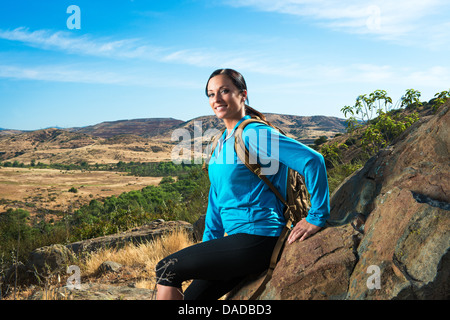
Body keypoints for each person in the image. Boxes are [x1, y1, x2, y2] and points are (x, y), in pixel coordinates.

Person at [155, 68, 330, 300]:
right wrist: (210, 248)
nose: (216, 99)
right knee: (192, 301)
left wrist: (317, 217)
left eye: (224, 91)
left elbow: (312, 160)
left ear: (242, 94)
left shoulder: (254, 133)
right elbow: (217, 198)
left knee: (167, 268)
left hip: (259, 239)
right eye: (210, 94)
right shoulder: (220, 142)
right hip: (235, 244)